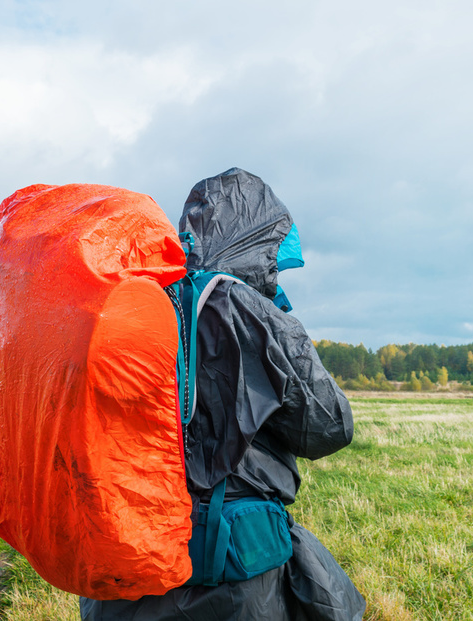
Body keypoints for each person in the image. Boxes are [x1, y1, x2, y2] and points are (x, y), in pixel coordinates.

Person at [80, 168, 366, 620]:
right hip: (233, 571)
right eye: (274, 253)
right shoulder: (251, 310)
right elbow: (329, 428)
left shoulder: (131, 305)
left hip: (129, 553)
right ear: (254, 242)